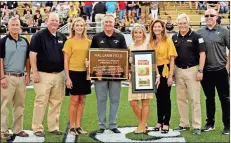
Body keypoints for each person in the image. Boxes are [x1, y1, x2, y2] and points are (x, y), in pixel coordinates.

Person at [30, 12, 67, 137]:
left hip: (59, 74)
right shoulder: (38, 36)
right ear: (47, 21)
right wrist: (34, 72)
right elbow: (32, 55)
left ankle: (53, 126)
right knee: (41, 101)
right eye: (52, 20)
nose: (54, 23)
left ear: (59, 22)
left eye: (56, 21)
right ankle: (37, 128)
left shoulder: (62, 36)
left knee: (56, 102)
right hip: (42, 74)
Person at [90, 14, 127, 134]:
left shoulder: (120, 37)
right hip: (100, 75)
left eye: (110, 22)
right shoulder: (96, 38)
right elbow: (92, 55)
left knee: (115, 100)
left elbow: (124, 55)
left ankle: (113, 125)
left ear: (114, 23)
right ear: (103, 23)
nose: (108, 24)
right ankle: (101, 125)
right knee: (101, 99)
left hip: (116, 75)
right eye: (106, 22)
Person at [172, 13, 206, 135]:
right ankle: (184, 123)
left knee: (195, 99)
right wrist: (173, 72)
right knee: (181, 99)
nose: (182, 25)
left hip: (193, 70)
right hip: (178, 70)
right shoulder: (174, 37)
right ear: (177, 24)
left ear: (188, 23)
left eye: (184, 23)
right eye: (180, 23)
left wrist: (200, 70)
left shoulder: (197, 36)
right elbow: (172, 56)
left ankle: (197, 125)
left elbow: (202, 54)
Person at [197, 9, 230, 135]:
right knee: (209, 98)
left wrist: (227, 66)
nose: (209, 17)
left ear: (217, 17)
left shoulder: (224, 31)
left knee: (224, 98)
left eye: (212, 15)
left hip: (221, 70)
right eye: (207, 15)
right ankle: (210, 123)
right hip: (206, 72)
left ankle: (228, 125)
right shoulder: (199, 33)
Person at [0, 17, 31, 140]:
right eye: (12, 25)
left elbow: (27, 60)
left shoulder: (24, 41)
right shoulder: (3, 42)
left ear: (20, 26)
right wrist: (2, 77)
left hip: (21, 77)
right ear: (8, 27)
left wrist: (28, 74)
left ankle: (17, 129)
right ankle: (3, 131)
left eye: (16, 25)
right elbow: (0, 60)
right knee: (5, 105)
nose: (14, 27)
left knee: (20, 105)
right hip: (7, 77)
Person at [128, 23, 160, 134]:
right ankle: (143, 123)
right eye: (136, 32)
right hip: (134, 77)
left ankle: (142, 125)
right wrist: (129, 62)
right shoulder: (130, 46)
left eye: (140, 32)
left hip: (146, 77)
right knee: (133, 102)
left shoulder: (147, 45)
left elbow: (153, 61)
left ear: (143, 34)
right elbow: (128, 63)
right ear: (133, 34)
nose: (138, 35)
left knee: (145, 102)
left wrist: (157, 74)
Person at [63, 17, 91, 135]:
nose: (79, 27)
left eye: (81, 25)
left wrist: (89, 63)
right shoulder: (69, 41)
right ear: (73, 27)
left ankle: (78, 126)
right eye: (77, 25)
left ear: (84, 27)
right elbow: (65, 61)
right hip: (73, 73)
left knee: (81, 100)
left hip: (85, 74)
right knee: (74, 100)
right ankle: (72, 126)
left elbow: (92, 57)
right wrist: (68, 78)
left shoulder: (88, 41)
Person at [149, 19, 177, 134]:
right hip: (155, 71)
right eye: (154, 27)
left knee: (165, 97)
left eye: (158, 26)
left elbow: (172, 59)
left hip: (165, 70)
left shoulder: (168, 40)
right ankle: (159, 121)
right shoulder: (151, 42)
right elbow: (150, 58)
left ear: (162, 28)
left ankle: (166, 122)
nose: (156, 28)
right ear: (152, 28)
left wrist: (171, 75)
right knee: (158, 98)